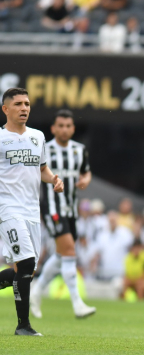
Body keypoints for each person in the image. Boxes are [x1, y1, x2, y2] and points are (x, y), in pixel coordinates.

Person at [0, 87, 64, 336]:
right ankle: (22, 326)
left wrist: (54, 180)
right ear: (6, 109)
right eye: (18, 104)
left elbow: (43, 170)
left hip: (30, 210)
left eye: (26, 104)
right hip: (7, 208)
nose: (24, 108)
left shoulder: (38, 137)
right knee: (25, 262)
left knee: (24, 270)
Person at [30, 110, 96, 319]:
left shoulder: (80, 150)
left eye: (68, 126)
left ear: (73, 128)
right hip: (52, 208)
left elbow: (86, 171)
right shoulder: (44, 149)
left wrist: (86, 180)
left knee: (61, 255)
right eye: (61, 125)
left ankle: (37, 290)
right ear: (53, 128)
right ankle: (77, 304)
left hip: (71, 209)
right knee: (69, 251)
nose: (65, 129)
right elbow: (35, 173)